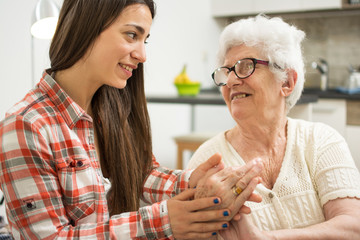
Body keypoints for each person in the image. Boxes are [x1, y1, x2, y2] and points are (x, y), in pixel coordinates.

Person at [0, 1, 263, 239]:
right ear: (87, 27)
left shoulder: (110, 107)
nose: (142, 54)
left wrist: (193, 181)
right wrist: (164, 221)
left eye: (144, 40)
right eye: (131, 35)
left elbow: (139, 175)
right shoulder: (25, 126)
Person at [187, 14, 360, 240]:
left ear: (286, 82)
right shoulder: (207, 162)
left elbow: (353, 227)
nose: (230, 81)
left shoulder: (321, 140)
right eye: (226, 71)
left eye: (245, 66)